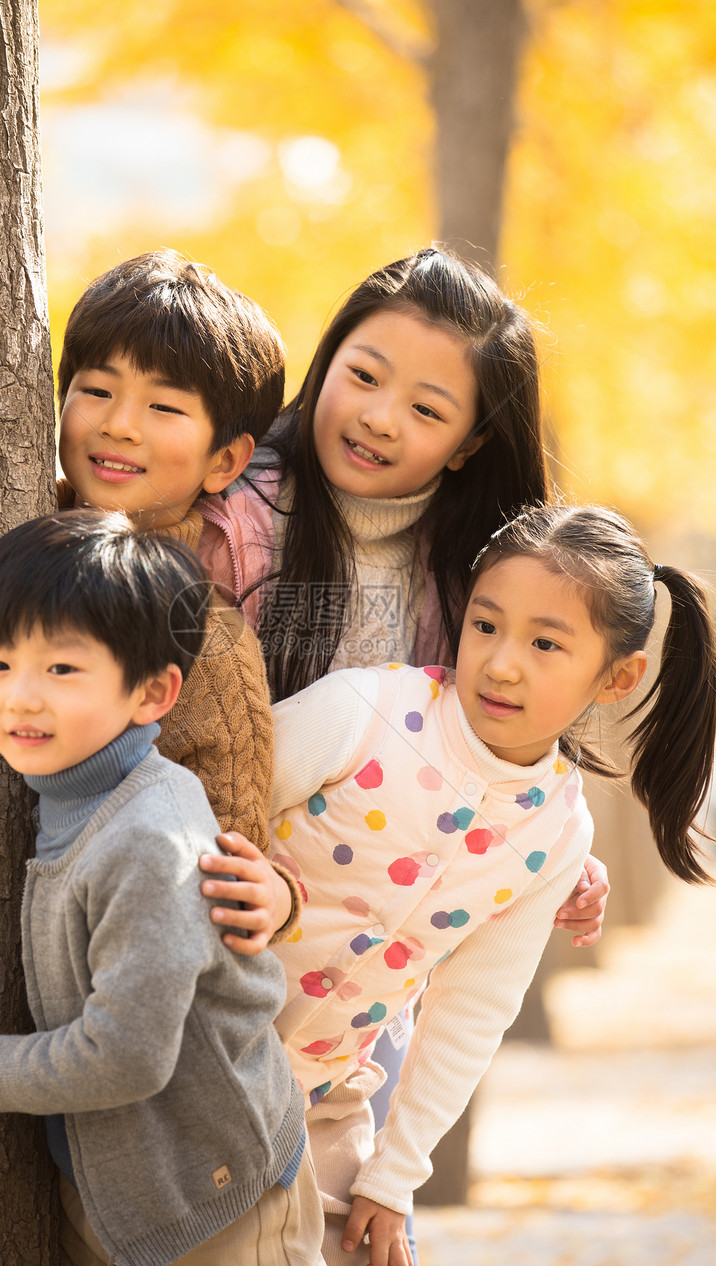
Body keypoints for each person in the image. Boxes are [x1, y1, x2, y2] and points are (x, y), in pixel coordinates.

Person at [192, 248, 610, 1258]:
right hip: (210, 931)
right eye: (363, 375)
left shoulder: (478, 578)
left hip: (351, 1000)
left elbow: (480, 738)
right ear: (326, 359)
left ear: (470, 443)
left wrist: (536, 842)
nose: (378, 418)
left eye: (427, 410)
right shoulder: (235, 512)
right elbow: (88, 548)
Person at [0, 510, 323, 1266]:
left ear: (153, 694)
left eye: (62, 669)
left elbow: (129, 1055)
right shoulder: (77, 794)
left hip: (216, 1199)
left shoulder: (145, 839)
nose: (20, 699)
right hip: (129, 1184)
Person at [262, 503, 716, 1266]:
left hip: (326, 1094)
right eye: (485, 626)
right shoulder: (366, 712)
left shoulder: (556, 834)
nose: (503, 663)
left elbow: (470, 1010)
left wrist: (395, 1173)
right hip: (205, 1048)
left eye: (545, 643)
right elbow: (211, 805)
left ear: (617, 677)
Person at [0, 248, 299, 952]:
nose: (120, 424)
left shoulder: (201, 635)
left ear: (227, 461)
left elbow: (231, 852)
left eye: (163, 406)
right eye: (96, 390)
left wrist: (278, 899)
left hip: (83, 966)